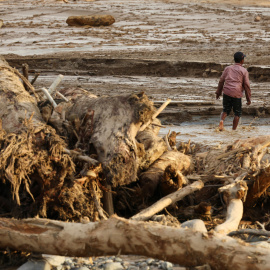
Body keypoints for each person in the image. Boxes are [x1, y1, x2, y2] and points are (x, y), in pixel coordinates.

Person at [215, 51, 251, 131]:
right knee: (237, 113)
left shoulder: (228, 68)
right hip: (236, 93)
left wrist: (218, 92)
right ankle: (233, 130)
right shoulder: (244, 71)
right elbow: (246, 86)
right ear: (242, 60)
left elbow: (221, 81)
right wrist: (248, 98)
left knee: (225, 110)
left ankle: (221, 121)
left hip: (227, 92)